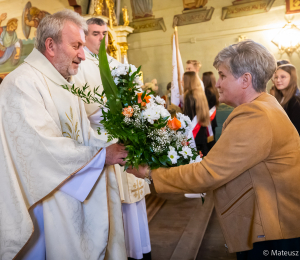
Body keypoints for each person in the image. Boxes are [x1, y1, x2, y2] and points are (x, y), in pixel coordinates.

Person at [127, 40, 300, 260]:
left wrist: (150, 172)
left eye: (223, 75)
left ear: (245, 79)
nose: (217, 84)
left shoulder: (255, 116)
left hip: (274, 232)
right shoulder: (266, 104)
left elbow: (207, 173)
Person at [0, 10, 128, 260]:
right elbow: (42, 149)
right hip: (43, 204)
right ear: (50, 45)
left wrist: (115, 144)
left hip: (70, 191)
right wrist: (102, 156)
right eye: (76, 45)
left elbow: (83, 134)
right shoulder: (21, 83)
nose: (83, 54)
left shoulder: (63, 82)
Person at [74, 17, 152, 260]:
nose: (101, 38)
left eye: (104, 33)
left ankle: (140, 251)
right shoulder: (80, 66)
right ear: (84, 36)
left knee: (133, 204)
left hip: (125, 136)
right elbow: (82, 109)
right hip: (103, 142)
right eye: (95, 33)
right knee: (115, 206)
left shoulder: (116, 63)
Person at [183, 71, 210, 155]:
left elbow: (188, 117)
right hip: (202, 131)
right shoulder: (200, 93)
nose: (181, 82)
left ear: (188, 81)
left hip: (193, 133)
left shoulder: (189, 95)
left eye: (183, 80)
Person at [274, 63, 300, 134]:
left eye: (283, 77)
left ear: (292, 78)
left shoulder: (295, 100)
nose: (278, 80)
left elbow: (297, 130)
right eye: (276, 77)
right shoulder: (281, 97)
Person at [202, 71, 219, 150]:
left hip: (208, 120)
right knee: (211, 142)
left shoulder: (207, 92)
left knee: (209, 144)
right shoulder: (214, 90)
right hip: (212, 120)